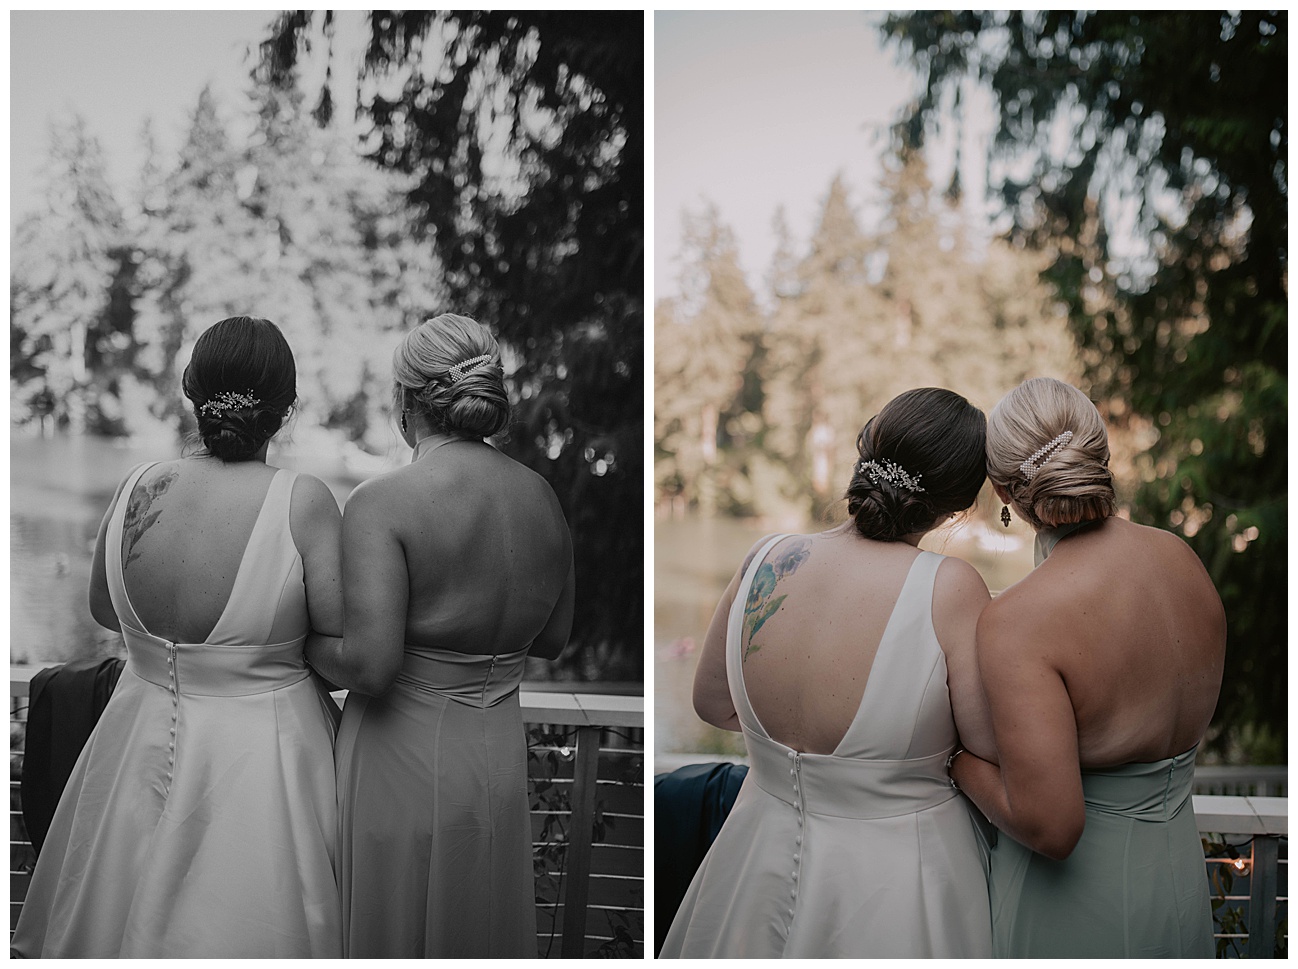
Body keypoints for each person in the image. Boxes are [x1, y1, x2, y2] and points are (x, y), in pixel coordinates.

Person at [11, 317, 345, 958]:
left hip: (134, 742)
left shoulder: (138, 487)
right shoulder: (303, 502)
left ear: (191, 393)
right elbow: (344, 652)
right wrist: (261, 650)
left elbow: (103, 609)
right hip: (264, 762)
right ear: (286, 409)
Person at [661, 387, 995, 958]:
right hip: (897, 884)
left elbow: (712, 705)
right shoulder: (951, 588)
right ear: (958, 502)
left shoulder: (765, 557)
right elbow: (987, 746)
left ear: (865, 450)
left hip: (754, 861)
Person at [306, 313, 575, 958]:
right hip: (498, 754)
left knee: (393, 928)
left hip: (403, 753)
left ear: (406, 404)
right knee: (477, 924)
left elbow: (370, 665)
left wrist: (302, 645)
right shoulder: (543, 499)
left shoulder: (383, 503)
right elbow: (552, 640)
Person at [949, 376, 1224, 958]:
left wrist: (957, 765)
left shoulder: (1020, 620)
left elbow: (1052, 826)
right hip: (1178, 882)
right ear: (1101, 454)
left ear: (1001, 490)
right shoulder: (1182, 559)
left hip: (1075, 913)